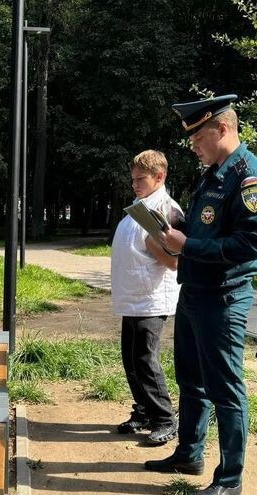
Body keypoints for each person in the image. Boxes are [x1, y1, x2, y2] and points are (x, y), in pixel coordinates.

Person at [143, 95, 257, 495]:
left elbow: (251, 245)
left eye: (198, 135)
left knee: (226, 388)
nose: (193, 144)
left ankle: (231, 476)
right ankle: (189, 454)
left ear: (224, 128)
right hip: (195, 293)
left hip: (224, 297)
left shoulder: (249, 176)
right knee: (191, 380)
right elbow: (205, 227)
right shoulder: (211, 174)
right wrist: (176, 226)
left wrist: (189, 245)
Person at [111, 150, 182, 445]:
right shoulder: (141, 205)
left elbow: (174, 260)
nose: (134, 184)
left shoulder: (166, 208)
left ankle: (165, 418)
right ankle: (143, 410)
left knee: (145, 359)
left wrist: (156, 243)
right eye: (133, 179)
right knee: (131, 358)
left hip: (151, 298)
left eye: (140, 179)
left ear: (159, 177)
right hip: (133, 297)